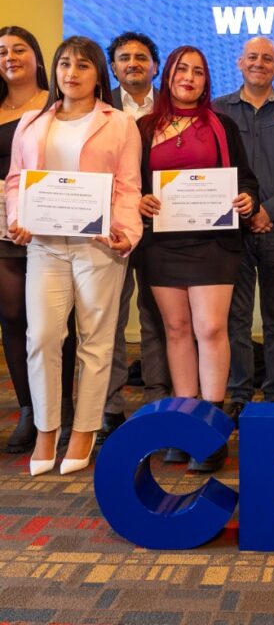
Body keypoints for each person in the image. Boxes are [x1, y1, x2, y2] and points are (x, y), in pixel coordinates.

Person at [5, 35, 142, 476]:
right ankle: (47, 429)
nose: (71, 73)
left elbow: (128, 186)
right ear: (55, 70)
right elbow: (16, 180)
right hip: (44, 245)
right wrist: (17, 217)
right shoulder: (32, 122)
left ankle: (84, 431)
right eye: (64, 64)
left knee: (96, 343)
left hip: (98, 246)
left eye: (83, 65)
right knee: (42, 337)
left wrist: (126, 232)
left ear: (98, 74)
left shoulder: (120, 123)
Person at [138, 45, 258, 471]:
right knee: (176, 329)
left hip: (213, 243)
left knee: (210, 328)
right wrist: (140, 200)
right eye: (181, 70)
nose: (189, 77)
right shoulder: (143, 127)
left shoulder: (222, 125)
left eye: (198, 72)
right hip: (163, 243)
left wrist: (248, 198)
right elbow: (130, 183)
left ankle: (211, 428)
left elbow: (246, 179)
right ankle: (184, 423)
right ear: (167, 75)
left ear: (207, 81)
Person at [214, 38, 274, 419]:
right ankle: (239, 394)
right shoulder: (218, 109)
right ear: (240, 63)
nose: (259, 63)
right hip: (231, 232)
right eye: (252, 57)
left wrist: (267, 210)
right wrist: (245, 213)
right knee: (236, 320)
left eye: (267, 58)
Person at [0, 27, 79, 454]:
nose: (10, 57)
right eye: (2, 52)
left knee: (54, 320)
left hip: (51, 222)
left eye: (19, 49)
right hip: (4, 226)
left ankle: (61, 408)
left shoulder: (57, 103)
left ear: (36, 56)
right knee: (13, 317)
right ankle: (30, 410)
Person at [100, 31, 170, 443]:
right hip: (113, 228)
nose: (133, 63)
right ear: (113, 67)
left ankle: (158, 398)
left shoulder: (174, 104)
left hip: (163, 227)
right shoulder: (97, 106)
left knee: (156, 316)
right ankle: (110, 404)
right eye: (124, 57)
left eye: (141, 57)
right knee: (110, 317)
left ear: (155, 66)